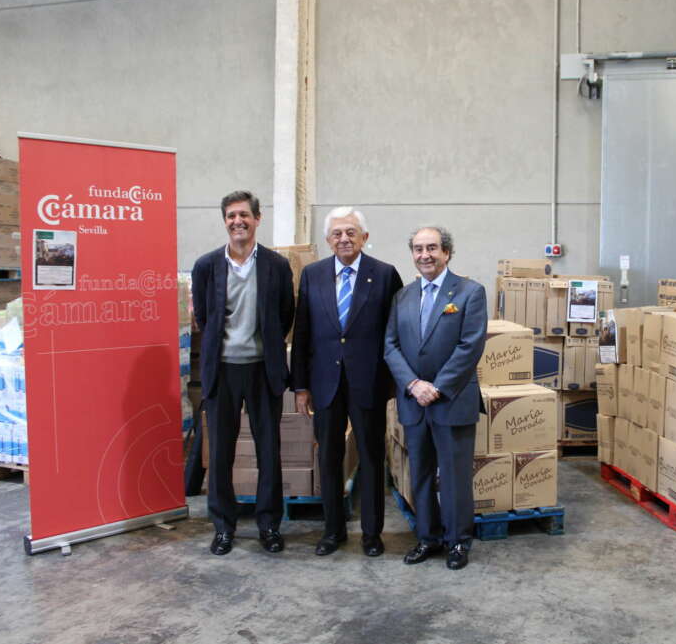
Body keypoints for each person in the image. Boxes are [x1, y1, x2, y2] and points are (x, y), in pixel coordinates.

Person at [291, 207, 403, 556]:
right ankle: (332, 530)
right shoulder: (312, 275)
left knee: (371, 458)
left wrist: (394, 384)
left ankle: (372, 534)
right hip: (325, 383)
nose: (344, 239)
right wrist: (300, 386)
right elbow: (303, 333)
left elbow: (395, 333)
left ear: (364, 237)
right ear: (328, 240)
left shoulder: (384, 275)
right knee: (329, 458)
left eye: (351, 232)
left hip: (368, 383)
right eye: (337, 233)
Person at [191, 190, 295, 556]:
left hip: (263, 371)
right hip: (221, 370)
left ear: (257, 219)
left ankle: (269, 525)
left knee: (270, 451)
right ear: (225, 221)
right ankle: (223, 526)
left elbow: (285, 314)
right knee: (220, 453)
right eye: (231, 216)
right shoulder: (206, 266)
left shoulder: (276, 266)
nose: (238, 222)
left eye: (244, 215)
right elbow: (204, 317)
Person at [384, 226, 487, 570]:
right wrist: (413, 384)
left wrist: (437, 386)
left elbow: (470, 346)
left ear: (447, 253)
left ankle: (458, 541)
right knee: (421, 473)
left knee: (455, 474)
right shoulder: (403, 296)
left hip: (451, 399)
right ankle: (428, 538)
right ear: (412, 254)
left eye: (432, 248)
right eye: (418, 249)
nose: (424, 255)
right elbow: (390, 345)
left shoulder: (470, 292)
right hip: (414, 400)